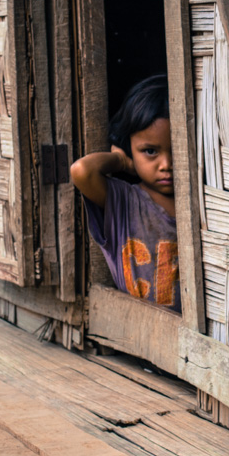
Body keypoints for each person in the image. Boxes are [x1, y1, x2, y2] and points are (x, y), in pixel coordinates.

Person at [70, 75, 180, 312]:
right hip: (137, 331)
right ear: (129, 147)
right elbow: (81, 171)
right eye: (150, 151)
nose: (166, 164)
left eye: (177, 150)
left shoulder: (202, 200)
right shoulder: (124, 202)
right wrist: (122, 162)